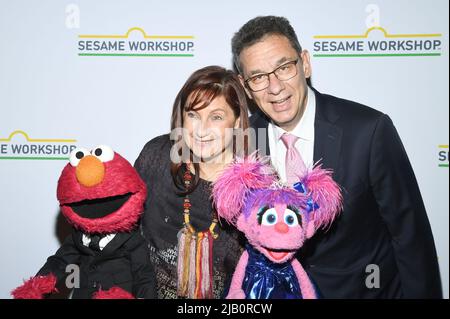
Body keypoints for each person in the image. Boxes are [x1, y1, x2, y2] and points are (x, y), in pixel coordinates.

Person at [230, 15, 442, 298]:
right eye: (258, 77)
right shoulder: (242, 142)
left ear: (304, 63)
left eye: (283, 67)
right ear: (245, 87)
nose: (275, 87)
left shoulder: (368, 130)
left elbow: (410, 236)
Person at [134, 66, 249, 299]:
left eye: (216, 117)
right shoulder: (157, 156)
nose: (201, 129)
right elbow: (125, 231)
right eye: (193, 115)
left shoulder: (256, 186)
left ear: (237, 122)